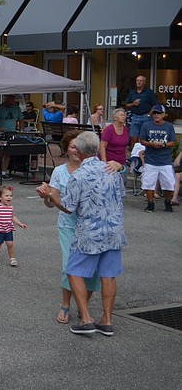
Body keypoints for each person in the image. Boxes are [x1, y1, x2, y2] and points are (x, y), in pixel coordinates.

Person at [37, 131, 126, 337]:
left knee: (73, 270)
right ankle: (107, 320)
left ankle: (86, 319)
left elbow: (68, 207)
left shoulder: (79, 176)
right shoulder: (111, 170)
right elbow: (120, 195)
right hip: (113, 230)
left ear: (83, 150)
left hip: (89, 232)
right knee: (108, 275)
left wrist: (50, 194)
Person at [41, 131, 102, 324]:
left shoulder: (97, 169)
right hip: (68, 226)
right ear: (66, 149)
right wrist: (47, 196)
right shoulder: (60, 172)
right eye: (73, 146)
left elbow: (119, 172)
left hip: (92, 227)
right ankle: (65, 304)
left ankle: (82, 306)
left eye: (79, 147)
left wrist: (119, 166)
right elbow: (51, 204)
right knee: (70, 267)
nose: (76, 150)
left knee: (92, 269)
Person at [139, 104, 176, 212]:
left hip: (165, 160)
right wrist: (151, 144)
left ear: (163, 114)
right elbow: (142, 140)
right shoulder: (146, 125)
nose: (156, 115)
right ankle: (150, 203)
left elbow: (173, 141)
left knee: (169, 183)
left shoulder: (169, 126)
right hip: (151, 159)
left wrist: (163, 145)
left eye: (158, 113)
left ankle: (167, 202)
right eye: (154, 113)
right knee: (148, 183)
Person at [0, 186, 28, 267]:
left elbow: (13, 217)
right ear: (0, 197)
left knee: (10, 244)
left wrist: (20, 224)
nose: (9, 198)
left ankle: (13, 259)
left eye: (10, 196)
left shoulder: (11, 207)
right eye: (6, 196)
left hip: (8, 228)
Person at [0, 94, 22, 180]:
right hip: (0, 133)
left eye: (13, 101)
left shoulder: (16, 108)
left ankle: (4, 173)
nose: (11, 104)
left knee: (7, 153)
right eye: (9, 102)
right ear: (6, 100)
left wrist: (21, 131)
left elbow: (21, 119)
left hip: (11, 133)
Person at [124, 75, 157, 142]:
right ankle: (134, 151)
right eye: (137, 81)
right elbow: (127, 105)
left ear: (144, 82)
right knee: (133, 136)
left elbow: (155, 105)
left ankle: (145, 152)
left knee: (145, 136)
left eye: (140, 81)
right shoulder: (132, 92)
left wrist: (149, 115)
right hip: (135, 116)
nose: (138, 82)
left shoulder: (149, 92)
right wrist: (133, 104)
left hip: (146, 117)